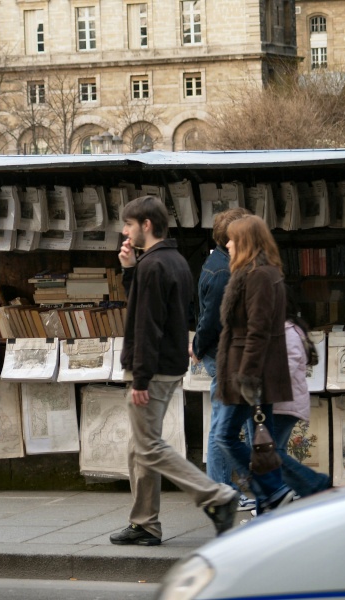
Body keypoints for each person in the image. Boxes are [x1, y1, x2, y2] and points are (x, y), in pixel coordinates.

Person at [110, 195, 238, 547]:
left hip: (151, 370)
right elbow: (149, 308)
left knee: (147, 446)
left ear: (146, 225)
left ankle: (215, 495)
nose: (125, 231)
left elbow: (147, 324)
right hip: (166, 366)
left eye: (129, 224)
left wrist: (139, 377)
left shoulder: (154, 266)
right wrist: (129, 269)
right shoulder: (173, 260)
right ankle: (144, 523)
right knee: (139, 448)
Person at [215, 215, 295, 514]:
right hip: (255, 370)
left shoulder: (259, 275)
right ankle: (269, 505)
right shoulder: (262, 273)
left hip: (249, 373)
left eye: (233, 239)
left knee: (225, 435)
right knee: (264, 442)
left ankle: (274, 491)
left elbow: (257, 330)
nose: (228, 244)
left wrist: (247, 377)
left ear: (247, 242)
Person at [190, 208, 255, 512]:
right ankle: (221, 491)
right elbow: (211, 319)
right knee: (223, 425)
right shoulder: (222, 271)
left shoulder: (223, 264)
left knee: (237, 421)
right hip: (224, 354)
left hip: (228, 352)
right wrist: (199, 346)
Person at [272, 292, 331, 497]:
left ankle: (314, 484)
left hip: (284, 404)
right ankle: (281, 495)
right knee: (271, 453)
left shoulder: (287, 332)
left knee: (270, 453)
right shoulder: (287, 330)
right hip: (282, 402)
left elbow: (284, 369)